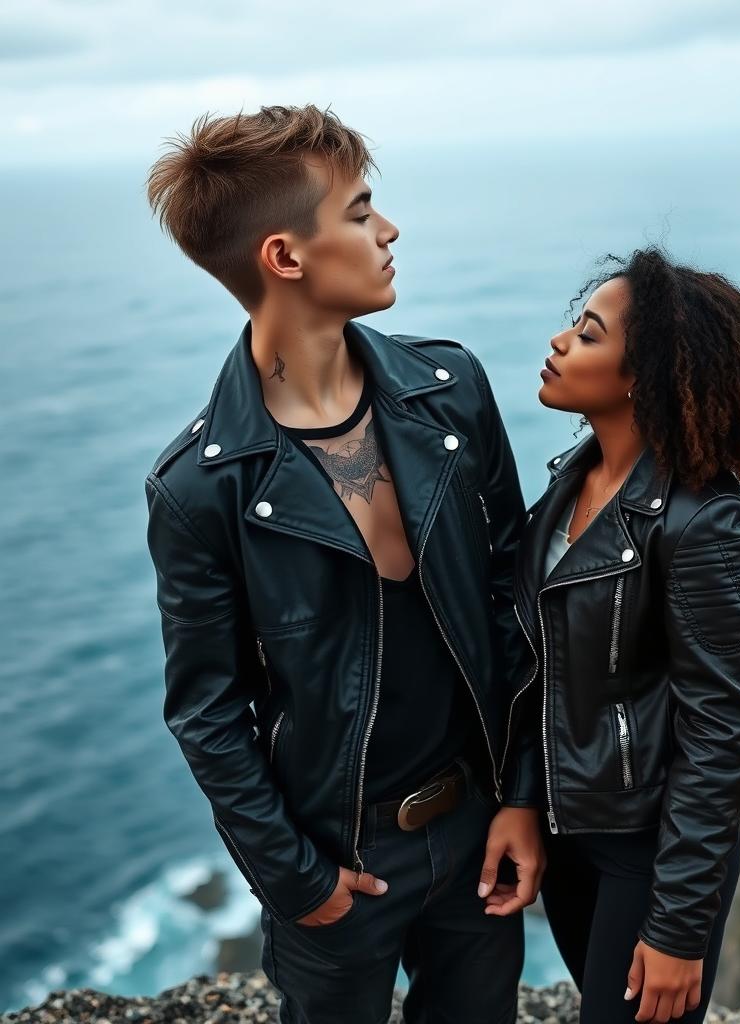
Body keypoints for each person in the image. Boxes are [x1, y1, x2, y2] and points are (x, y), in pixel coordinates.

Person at [142, 104, 544, 1024]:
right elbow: (206, 708)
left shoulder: (452, 392)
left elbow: (512, 602)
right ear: (285, 256)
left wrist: (520, 799)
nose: (388, 229)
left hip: (478, 830)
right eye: (361, 212)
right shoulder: (202, 490)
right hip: (342, 867)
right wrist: (296, 880)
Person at [509, 247, 740, 1023]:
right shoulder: (569, 484)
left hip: (648, 853)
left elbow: (724, 729)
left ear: (641, 375)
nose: (558, 343)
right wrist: (520, 802)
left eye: (587, 334)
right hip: (571, 832)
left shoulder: (704, 523)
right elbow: (535, 671)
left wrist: (680, 926)